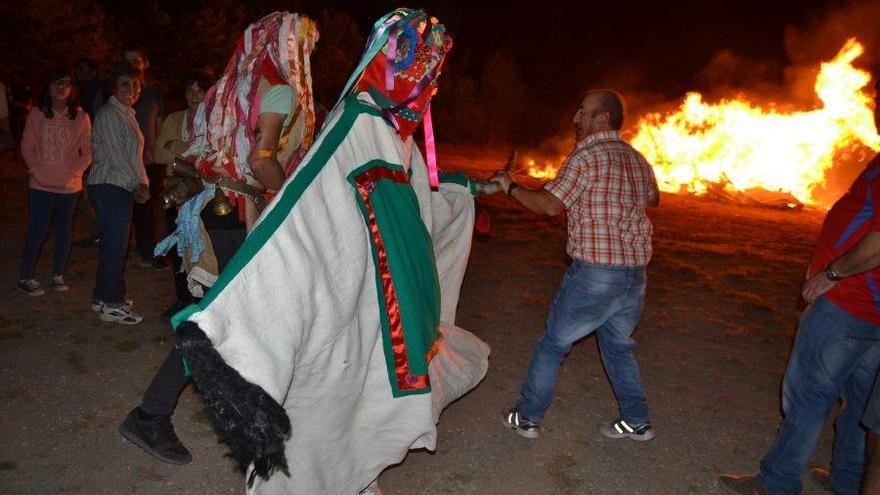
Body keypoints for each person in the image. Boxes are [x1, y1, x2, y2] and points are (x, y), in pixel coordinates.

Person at [166, 9, 490, 494]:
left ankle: (358, 475)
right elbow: (306, 187)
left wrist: (467, 189)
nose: (422, 85)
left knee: (367, 379)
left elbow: (417, 190)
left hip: (382, 285)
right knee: (335, 378)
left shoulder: (391, 131)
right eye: (414, 70)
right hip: (350, 279)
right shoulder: (356, 121)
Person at [118, 12, 320, 466]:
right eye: (306, 47)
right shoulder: (280, 89)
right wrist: (288, 198)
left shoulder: (231, 86)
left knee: (231, 317)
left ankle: (258, 408)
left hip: (212, 212)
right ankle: (152, 414)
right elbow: (262, 157)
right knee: (217, 322)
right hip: (237, 214)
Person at [493, 90, 660, 442]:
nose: (574, 118)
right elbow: (653, 198)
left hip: (597, 274)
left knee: (553, 344)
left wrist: (511, 187)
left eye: (582, 112)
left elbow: (549, 206)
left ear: (602, 119)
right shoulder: (637, 158)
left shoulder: (585, 157)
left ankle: (527, 417)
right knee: (618, 347)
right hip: (634, 276)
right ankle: (636, 420)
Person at [719, 156, 880, 495]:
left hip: (848, 304)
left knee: (808, 394)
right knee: (863, 405)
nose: (875, 108)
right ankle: (848, 481)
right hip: (870, 311)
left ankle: (778, 482)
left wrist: (831, 273)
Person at [18, 68, 92, 296]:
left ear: (72, 89)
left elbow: (88, 151)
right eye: (56, 83)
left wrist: (74, 172)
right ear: (48, 87)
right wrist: (36, 170)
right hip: (41, 185)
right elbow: (27, 146)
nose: (61, 88)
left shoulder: (80, 117)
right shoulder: (37, 114)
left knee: (64, 232)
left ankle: (58, 273)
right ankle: (26, 276)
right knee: (37, 231)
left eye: (66, 83)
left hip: (69, 187)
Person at [87, 63, 149, 324]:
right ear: (113, 87)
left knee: (114, 245)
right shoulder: (110, 114)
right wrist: (137, 184)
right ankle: (113, 303)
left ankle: (102, 296)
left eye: (135, 84)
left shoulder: (126, 114)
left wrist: (142, 181)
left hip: (119, 185)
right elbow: (116, 158)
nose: (132, 89)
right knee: (115, 247)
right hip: (110, 185)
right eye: (125, 84)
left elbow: (134, 157)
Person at [153, 72, 209, 317]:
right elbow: (159, 155)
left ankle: (205, 300)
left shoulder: (217, 120)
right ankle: (182, 299)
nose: (195, 96)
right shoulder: (174, 119)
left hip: (206, 195)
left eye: (200, 90)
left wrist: (176, 147)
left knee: (204, 248)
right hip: (177, 194)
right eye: (190, 90)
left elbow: (213, 155)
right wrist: (192, 152)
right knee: (178, 249)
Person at [124, 46, 168, 270]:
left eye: (137, 60)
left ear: (145, 64)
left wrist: (161, 158)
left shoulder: (153, 94)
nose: (133, 65)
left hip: (148, 160)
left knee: (146, 210)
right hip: (122, 161)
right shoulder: (115, 93)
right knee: (122, 208)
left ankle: (146, 251)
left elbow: (159, 126)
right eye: (128, 60)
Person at [72, 58, 102, 248]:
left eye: (83, 68)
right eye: (78, 69)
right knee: (83, 193)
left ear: (92, 71)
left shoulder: (94, 90)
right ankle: (98, 232)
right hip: (85, 146)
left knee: (87, 192)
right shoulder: (84, 90)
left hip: (92, 146)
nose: (79, 73)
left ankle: (100, 232)